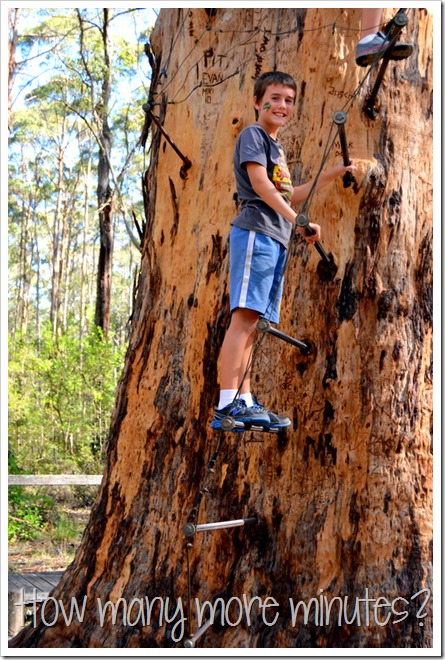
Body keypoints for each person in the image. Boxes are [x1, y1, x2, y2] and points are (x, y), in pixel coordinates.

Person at [210, 71, 355, 431]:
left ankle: (244, 400)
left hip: (274, 239)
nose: (282, 105)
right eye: (274, 98)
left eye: (289, 100)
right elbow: (261, 186)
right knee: (243, 318)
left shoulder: (277, 149)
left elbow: (288, 193)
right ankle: (228, 402)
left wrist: (332, 173)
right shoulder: (253, 136)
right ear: (258, 102)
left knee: (256, 324)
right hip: (256, 233)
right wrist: (299, 221)